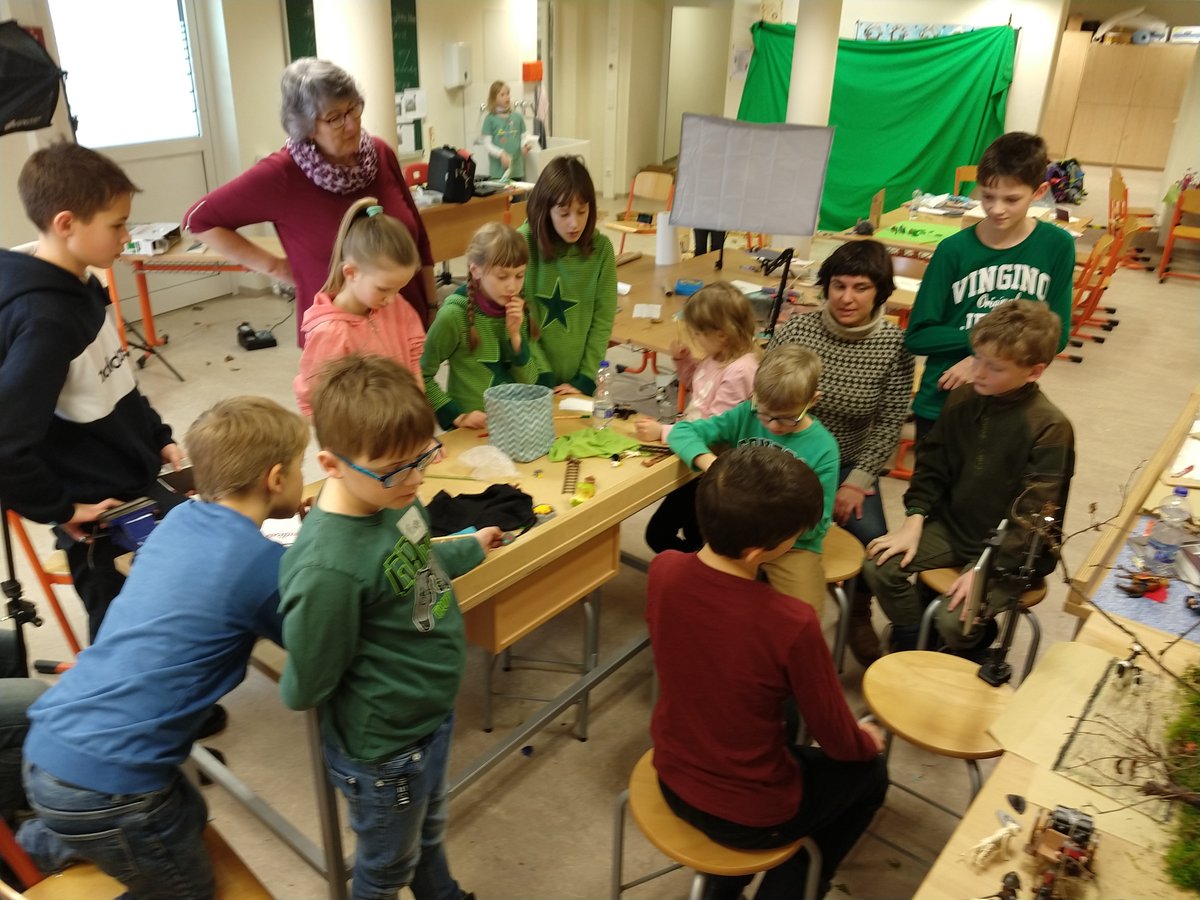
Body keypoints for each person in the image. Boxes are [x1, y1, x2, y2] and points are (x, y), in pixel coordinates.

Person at [18, 396, 309, 897]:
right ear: (277, 478)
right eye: (301, 468)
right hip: (112, 790)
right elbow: (316, 643)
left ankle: (39, 844)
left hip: (51, 746)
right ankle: (65, 841)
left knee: (187, 815)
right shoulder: (263, 568)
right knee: (190, 888)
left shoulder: (176, 520)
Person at [279, 354, 501, 900]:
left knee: (427, 832)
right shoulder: (328, 569)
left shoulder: (390, 496)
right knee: (384, 869)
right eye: (396, 467)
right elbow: (305, 686)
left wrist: (467, 548)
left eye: (422, 456)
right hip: (386, 750)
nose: (417, 478)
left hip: (427, 714)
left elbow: (417, 563)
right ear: (331, 465)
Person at [648, 444, 888, 900]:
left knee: (782, 728)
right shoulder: (791, 622)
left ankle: (721, 890)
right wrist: (866, 740)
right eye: (795, 535)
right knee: (869, 775)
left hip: (672, 774)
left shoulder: (664, 570)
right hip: (750, 814)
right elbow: (837, 739)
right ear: (761, 550)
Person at [0, 141, 187, 642]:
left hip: (130, 473)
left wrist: (157, 436)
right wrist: (61, 509)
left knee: (182, 577)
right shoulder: (46, 320)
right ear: (66, 223)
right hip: (98, 512)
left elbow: (114, 373)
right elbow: (6, 443)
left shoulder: (80, 282)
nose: (126, 237)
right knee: (122, 633)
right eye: (117, 225)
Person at [862, 300, 1074, 654]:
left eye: (995, 367)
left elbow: (1035, 519)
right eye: (976, 359)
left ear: (1034, 371)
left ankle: (973, 643)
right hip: (954, 527)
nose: (978, 372)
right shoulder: (963, 397)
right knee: (878, 566)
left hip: (1010, 551)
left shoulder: (1051, 427)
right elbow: (932, 464)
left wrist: (983, 570)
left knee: (953, 620)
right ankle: (916, 638)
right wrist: (914, 519)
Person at [183, 58, 438, 341]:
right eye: (335, 118)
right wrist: (277, 267)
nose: (351, 125)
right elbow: (198, 220)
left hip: (408, 325)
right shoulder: (282, 174)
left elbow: (419, 238)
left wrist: (431, 305)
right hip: (338, 341)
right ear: (306, 127)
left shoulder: (380, 153)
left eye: (353, 108)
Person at [768, 240, 915, 665]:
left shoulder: (894, 345)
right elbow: (766, 398)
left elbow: (889, 422)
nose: (847, 298)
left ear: (879, 292)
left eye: (860, 287)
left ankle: (858, 612)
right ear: (826, 286)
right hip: (788, 458)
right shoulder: (796, 331)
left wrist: (856, 483)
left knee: (874, 543)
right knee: (764, 530)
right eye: (838, 285)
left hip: (850, 464)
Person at [905, 131, 1074, 444]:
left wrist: (982, 359)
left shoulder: (1057, 245)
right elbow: (918, 336)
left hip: (1012, 403)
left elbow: (1057, 335)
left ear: (1039, 192)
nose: (997, 209)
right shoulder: (953, 250)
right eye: (987, 196)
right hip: (944, 399)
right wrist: (984, 349)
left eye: (1011, 199)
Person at [668, 345, 838, 617]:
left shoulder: (824, 448)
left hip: (794, 547)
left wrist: (770, 530)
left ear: (813, 400)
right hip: (738, 536)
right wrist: (713, 465)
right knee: (702, 601)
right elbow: (682, 432)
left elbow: (819, 522)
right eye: (765, 413)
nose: (773, 425)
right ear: (755, 395)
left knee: (803, 616)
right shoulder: (745, 413)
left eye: (787, 418)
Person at [635, 281, 760, 553]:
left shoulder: (740, 371)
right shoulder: (717, 355)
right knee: (694, 534)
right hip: (693, 454)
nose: (694, 339)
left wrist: (663, 432)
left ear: (721, 334)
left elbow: (715, 429)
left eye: (697, 334)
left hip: (710, 464)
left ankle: (695, 569)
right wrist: (684, 362)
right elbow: (699, 388)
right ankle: (696, 565)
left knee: (661, 534)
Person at [294, 197, 425, 416]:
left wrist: (417, 405)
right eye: (383, 289)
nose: (391, 299)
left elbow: (413, 361)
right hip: (360, 432)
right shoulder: (330, 333)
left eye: (399, 289)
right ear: (351, 273)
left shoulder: (397, 306)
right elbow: (315, 404)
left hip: (400, 423)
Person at [420, 222, 542, 431]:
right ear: (475, 270)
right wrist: (457, 416)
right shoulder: (453, 316)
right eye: (502, 276)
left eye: (519, 276)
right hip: (469, 432)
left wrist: (515, 337)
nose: (512, 286)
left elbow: (530, 382)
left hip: (512, 426)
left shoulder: (517, 309)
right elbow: (421, 375)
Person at [519, 155, 617, 395]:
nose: (575, 223)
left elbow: (603, 321)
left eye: (582, 211)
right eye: (563, 214)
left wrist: (586, 378)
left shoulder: (601, 249)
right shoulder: (522, 243)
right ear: (545, 209)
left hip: (578, 381)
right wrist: (541, 375)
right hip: (530, 378)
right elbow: (518, 320)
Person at [480, 80, 535, 181]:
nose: (507, 97)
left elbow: (524, 136)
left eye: (508, 94)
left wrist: (524, 146)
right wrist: (501, 154)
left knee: (518, 191)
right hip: (498, 173)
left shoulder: (517, 117)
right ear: (494, 98)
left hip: (516, 170)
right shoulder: (490, 119)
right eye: (502, 95)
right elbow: (487, 144)